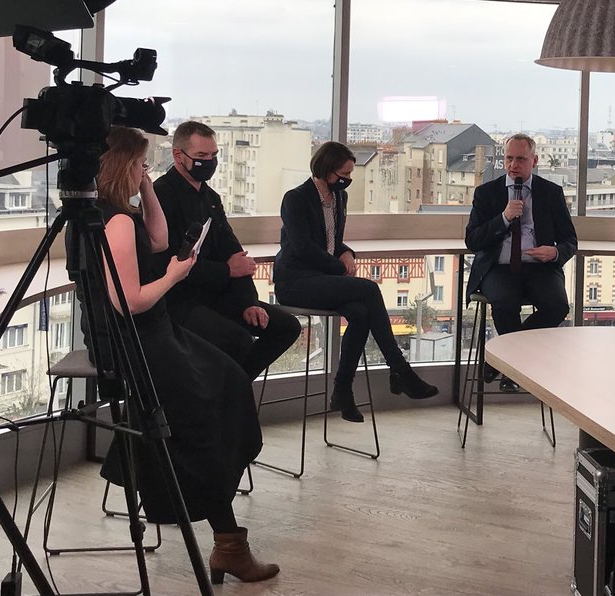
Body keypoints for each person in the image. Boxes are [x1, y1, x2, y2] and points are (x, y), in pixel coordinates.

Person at [84, 126, 277, 584]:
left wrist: (147, 189)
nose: (143, 172)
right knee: (204, 416)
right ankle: (229, 542)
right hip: (141, 339)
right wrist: (173, 276)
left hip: (159, 331)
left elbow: (156, 238)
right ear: (120, 167)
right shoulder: (114, 222)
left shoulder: (120, 214)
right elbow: (129, 301)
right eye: (138, 166)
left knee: (227, 381)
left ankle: (226, 537)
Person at [273, 141, 437, 420]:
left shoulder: (339, 198)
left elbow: (331, 241)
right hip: (295, 282)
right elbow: (303, 247)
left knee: (361, 313)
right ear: (326, 169)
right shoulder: (295, 198)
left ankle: (342, 392)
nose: (347, 180)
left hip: (323, 279)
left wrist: (347, 252)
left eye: (350, 175)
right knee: (369, 289)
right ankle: (400, 369)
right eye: (343, 174)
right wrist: (339, 266)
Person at [153, 121, 300, 380]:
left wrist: (248, 303)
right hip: (180, 301)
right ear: (178, 155)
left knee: (286, 327)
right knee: (238, 340)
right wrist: (226, 270)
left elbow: (234, 254)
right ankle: (225, 400)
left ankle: (231, 394)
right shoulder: (161, 195)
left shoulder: (211, 198)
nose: (209, 162)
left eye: (214, 156)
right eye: (201, 156)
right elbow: (171, 263)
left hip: (217, 294)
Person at [465, 134, 577, 392]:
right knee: (504, 304)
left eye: (521, 159)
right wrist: (503, 218)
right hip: (500, 267)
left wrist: (555, 252)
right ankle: (513, 366)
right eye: (509, 158)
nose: (514, 165)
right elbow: (472, 240)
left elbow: (570, 240)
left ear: (534, 161)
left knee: (557, 306)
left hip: (539, 267)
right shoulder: (487, 193)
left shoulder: (551, 193)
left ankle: (501, 360)